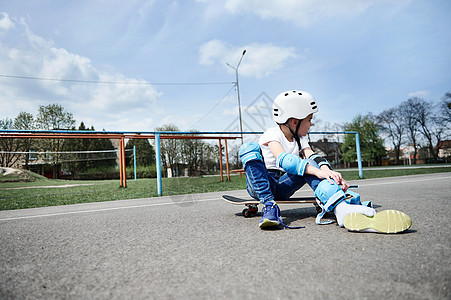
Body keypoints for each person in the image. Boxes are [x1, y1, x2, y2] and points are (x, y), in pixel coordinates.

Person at [239, 90, 412, 233]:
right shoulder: (272, 134)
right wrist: (316, 171)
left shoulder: (300, 138)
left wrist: (330, 174)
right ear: (294, 121)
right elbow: (284, 161)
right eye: (309, 120)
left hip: (282, 186)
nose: (311, 124)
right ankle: (269, 207)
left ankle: (340, 206)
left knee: (310, 165)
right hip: (261, 183)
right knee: (249, 149)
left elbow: (312, 157)